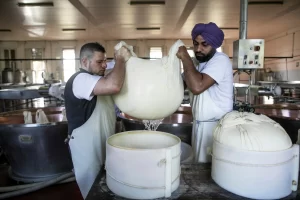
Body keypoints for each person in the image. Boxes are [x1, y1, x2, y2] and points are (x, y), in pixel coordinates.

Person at [64, 42, 131, 199]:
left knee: (106, 190)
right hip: (86, 149)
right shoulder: (80, 79)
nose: (104, 65)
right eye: (99, 62)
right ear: (85, 62)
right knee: (92, 193)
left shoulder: (97, 80)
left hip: (103, 144)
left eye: (105, 61)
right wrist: (120, 59)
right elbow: (114, 85)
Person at [176, 22, 233, 163]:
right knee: (198, 165)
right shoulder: (196, 63)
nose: (198, 49)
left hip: (214, 128)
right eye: (195, 44)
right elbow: (179, 85)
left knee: (211, 168)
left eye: (204, 44)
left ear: (214, 45)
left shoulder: (221, 60)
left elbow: (197, 86)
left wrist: (185, 57)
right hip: (199, 125)